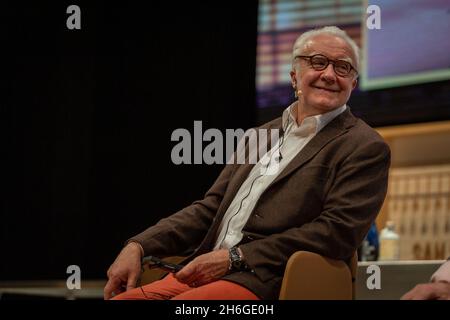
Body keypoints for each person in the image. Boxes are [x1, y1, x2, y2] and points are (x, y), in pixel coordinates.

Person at [104, 26, 391, 300]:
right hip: (199, 274)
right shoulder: (258, 136)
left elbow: (336, 232)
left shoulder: (364, 146)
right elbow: (210, 209)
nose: (329, 74)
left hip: (269, 279)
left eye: (343, 67)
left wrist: (235, 258)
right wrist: (139, 245)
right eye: (317, 62)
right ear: (294, 76)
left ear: (353, 83)